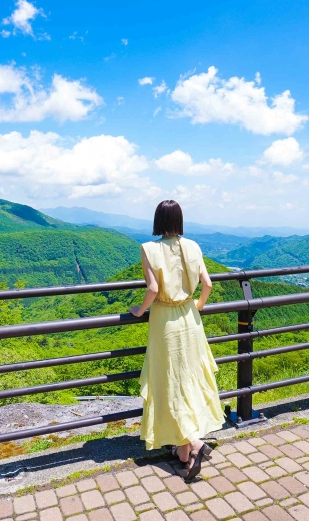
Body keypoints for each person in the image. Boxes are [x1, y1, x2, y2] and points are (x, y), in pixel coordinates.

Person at [129, 200, 222, 479]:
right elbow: (208, 284)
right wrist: (198, 305)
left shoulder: (149, 249)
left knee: (168, 381)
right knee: (188, 380)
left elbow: (153, 289)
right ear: (180, 220)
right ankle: (183, 451)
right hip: (190, 319)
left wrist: (138, 311)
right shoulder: (193, 246)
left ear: (157, 220)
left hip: (164, 322)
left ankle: (193, 443)